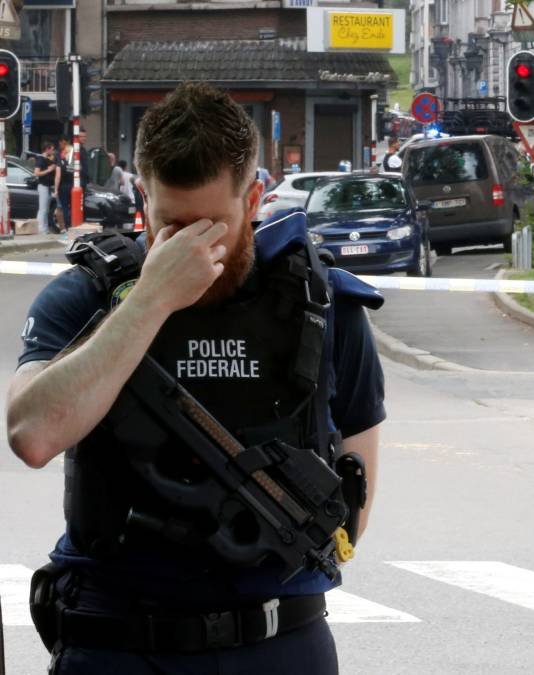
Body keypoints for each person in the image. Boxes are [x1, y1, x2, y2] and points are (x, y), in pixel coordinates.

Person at [6, 82, 385, 674]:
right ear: (142, 199)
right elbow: (31, 434)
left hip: (278, 643)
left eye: (211, 225)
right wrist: (149, 299)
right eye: (169, 225)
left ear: (255, 198)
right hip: (118, 642)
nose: (189, 247)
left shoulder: (321, 304)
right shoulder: (87, 297)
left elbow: (351, 508)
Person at [33, 142, 57, 234]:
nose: (53, 151)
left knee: (46, 209)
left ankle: (45, 228)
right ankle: (41, 229)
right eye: (52, 149)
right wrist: (49, 170)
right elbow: (36, 173)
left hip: (48, 187)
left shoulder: (47, 159)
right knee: (43, 208)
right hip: (43, 186)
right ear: (47, 149)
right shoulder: (40, 159)